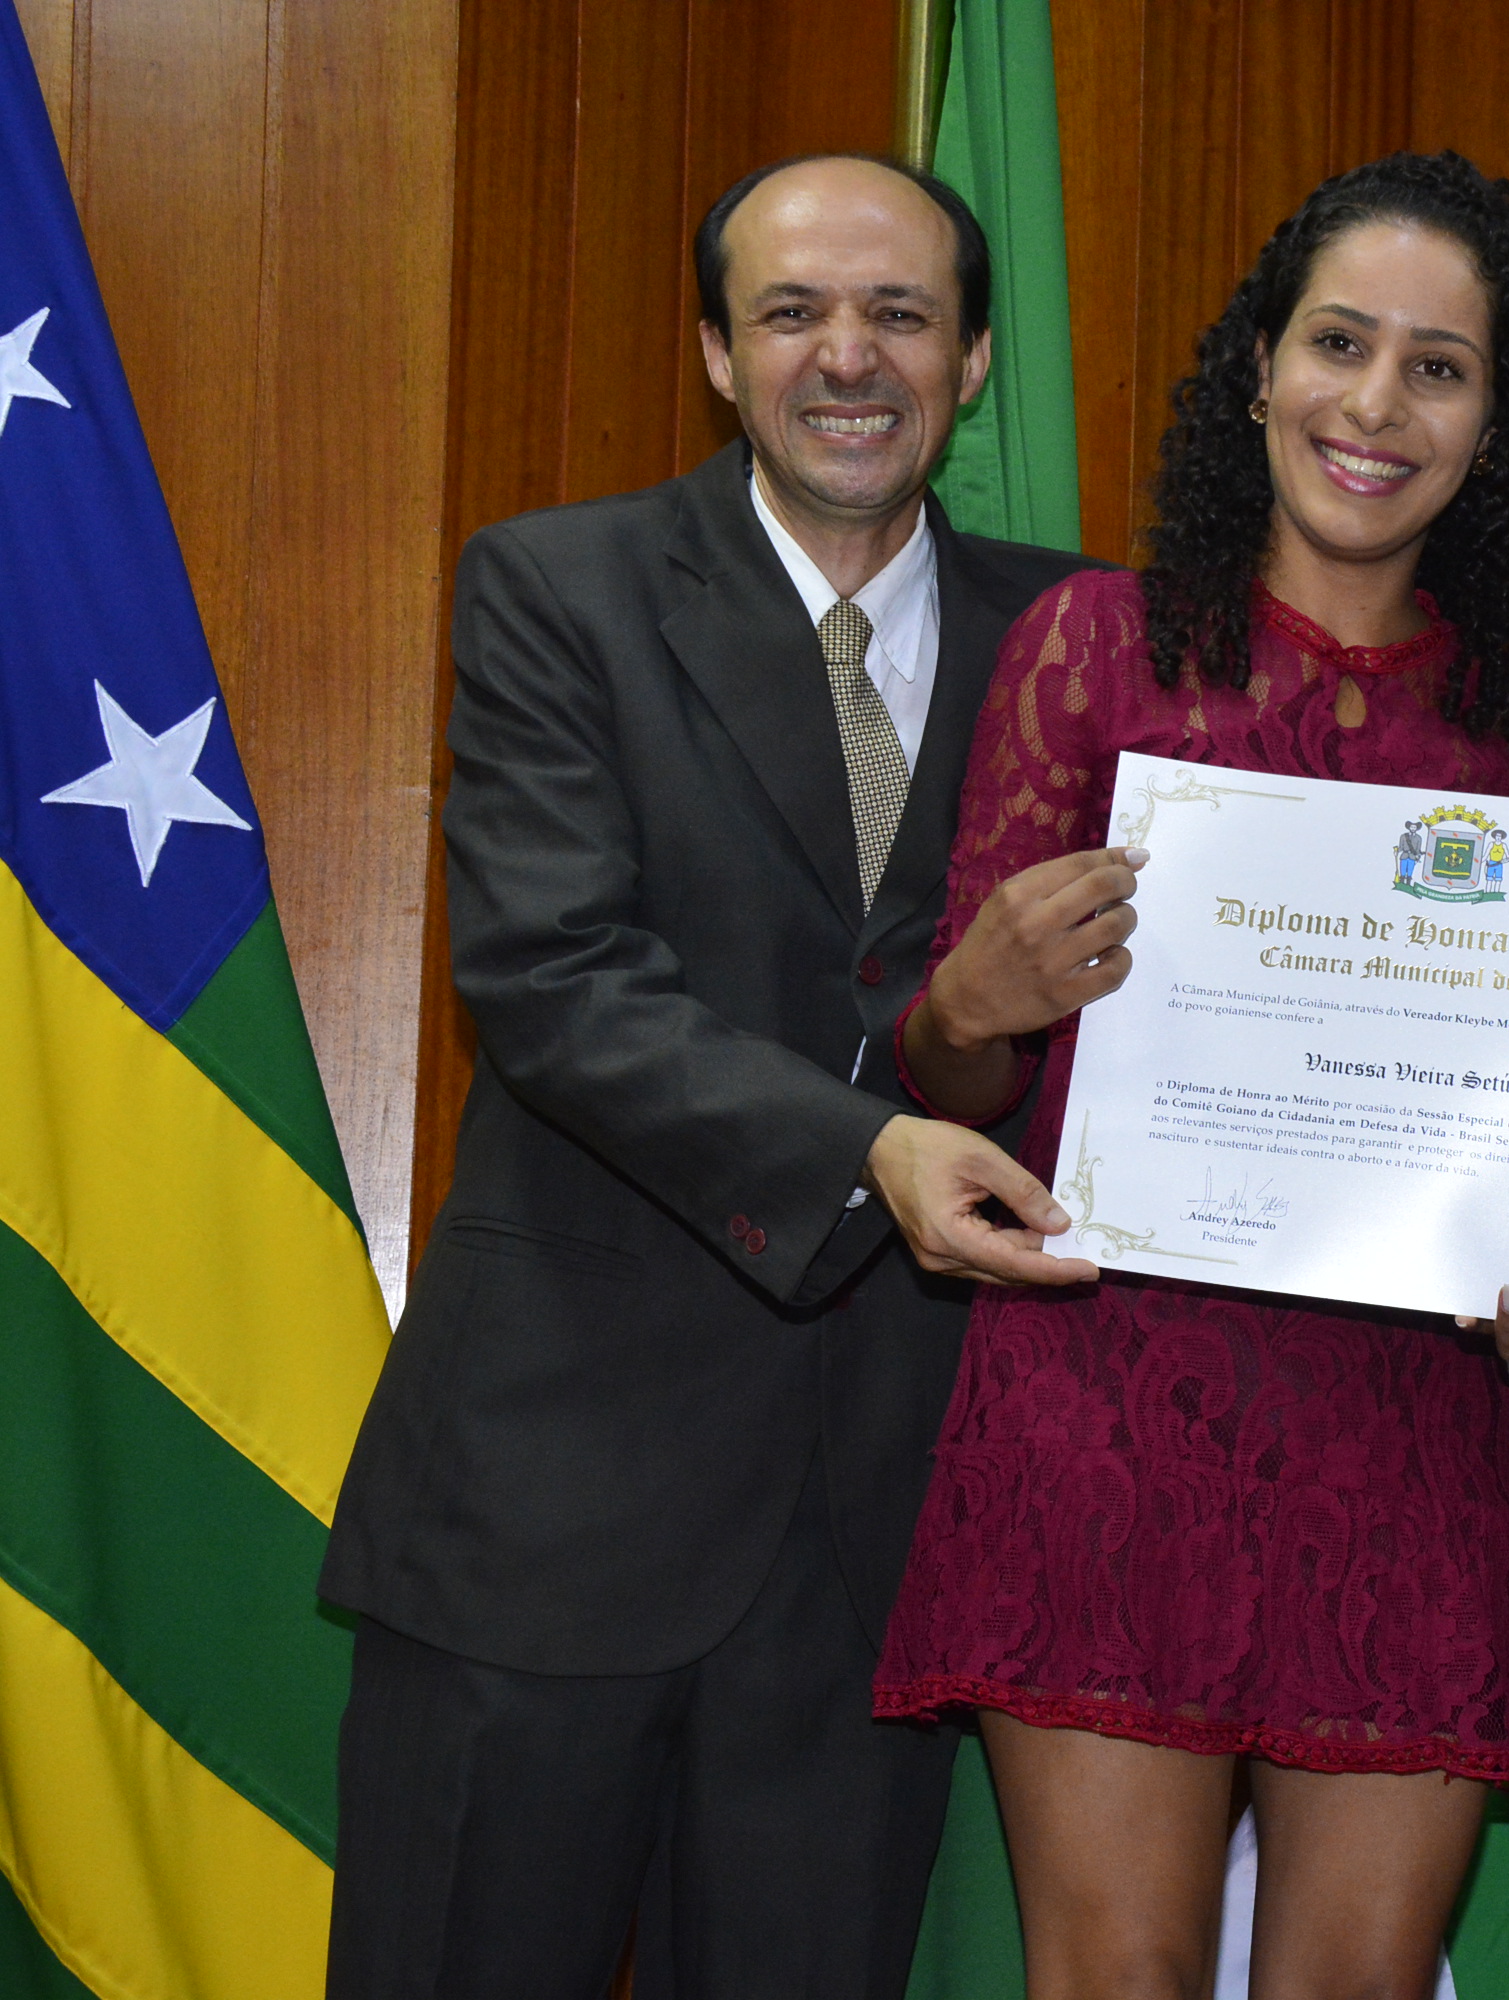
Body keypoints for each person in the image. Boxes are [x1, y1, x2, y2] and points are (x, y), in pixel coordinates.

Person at [319, 155, 1103, 1995]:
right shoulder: (558, 587)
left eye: (901, 314)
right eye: (793, 313)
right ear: (717, 354)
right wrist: (875, 1148)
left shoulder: (1086, 639)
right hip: (550, 1506)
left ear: (975, 360)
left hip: (885, 1537)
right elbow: (553, 982)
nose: (851, 356)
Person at [869, 151, 1509, 2000]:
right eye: (1339, 343)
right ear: (1260, 368)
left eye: (1440, 368)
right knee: (1116, 1976)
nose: (1378, 403)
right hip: (1108, 1404)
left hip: (1407, 1430)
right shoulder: (1092, 648)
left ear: (1496, 425)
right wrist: (972, 1000)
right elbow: (956, 1084)